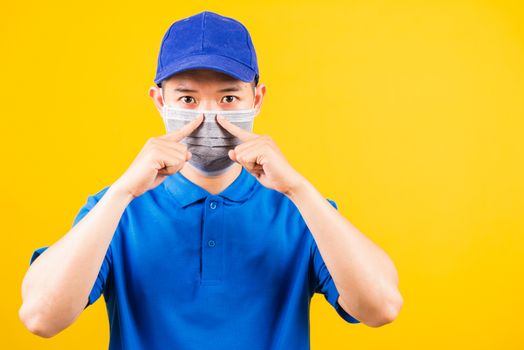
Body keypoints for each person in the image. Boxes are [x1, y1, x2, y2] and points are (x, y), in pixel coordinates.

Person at [19, 10, 403, 349]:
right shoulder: (116, 210)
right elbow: (41, 318)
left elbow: (382, 307)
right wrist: (121, 192)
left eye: (228, 99)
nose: (208, 116)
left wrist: (298, 189)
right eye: (187, 99)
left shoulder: (300, 209)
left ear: (257, 99)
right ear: (158, 101)